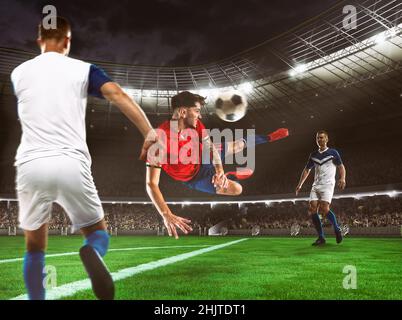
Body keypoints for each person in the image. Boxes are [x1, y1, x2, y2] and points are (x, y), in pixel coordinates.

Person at [10, 16, 190, 300]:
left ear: (38, 40)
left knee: (34, 248)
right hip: (71, 162)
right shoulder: (82, 70)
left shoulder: (18, 73)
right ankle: (91, 251)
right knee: (97, 233)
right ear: (68, 41)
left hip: (31, 165)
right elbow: (117, 94)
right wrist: (149, 132)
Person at [145, 91, 288, 239]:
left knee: (237, 146)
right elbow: (151, 183)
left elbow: (210, 146)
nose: (200, 116)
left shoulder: (196, 124)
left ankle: (270, 137)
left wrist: (219, 170)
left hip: (202, 155)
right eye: (197, 111)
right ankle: (230, 175)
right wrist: (165, 213)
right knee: (237, 189)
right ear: (182, 112)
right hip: (194, 179)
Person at [295, 130, 346, 246]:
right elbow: (307, 170)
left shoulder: (333, 152)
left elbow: (341, 166)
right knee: (313, 209)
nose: (319, 140)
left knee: (324, 209)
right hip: (316, 184)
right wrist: (300, 184)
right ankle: (321, 237)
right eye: (318, 138)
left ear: (327, 139)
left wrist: (342, 178)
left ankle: (337, 229)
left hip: (328, 184)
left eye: (322, 138)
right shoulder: (313, 155)